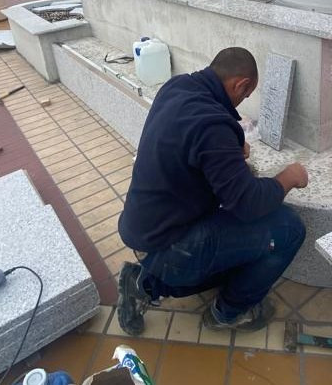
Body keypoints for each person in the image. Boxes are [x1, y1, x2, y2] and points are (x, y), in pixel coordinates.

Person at [116, 47, 309, 336]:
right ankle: (227, 312)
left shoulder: (178, 86)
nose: (242, 102)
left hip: (145, 226)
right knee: (289, 228)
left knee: (237, 244)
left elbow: (192, 143)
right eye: (245, 96)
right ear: (240, 85)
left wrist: (229, 145)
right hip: (170, 242)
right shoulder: (213, 127)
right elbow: (247, 203)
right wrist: (287, 178)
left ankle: (143, 278)